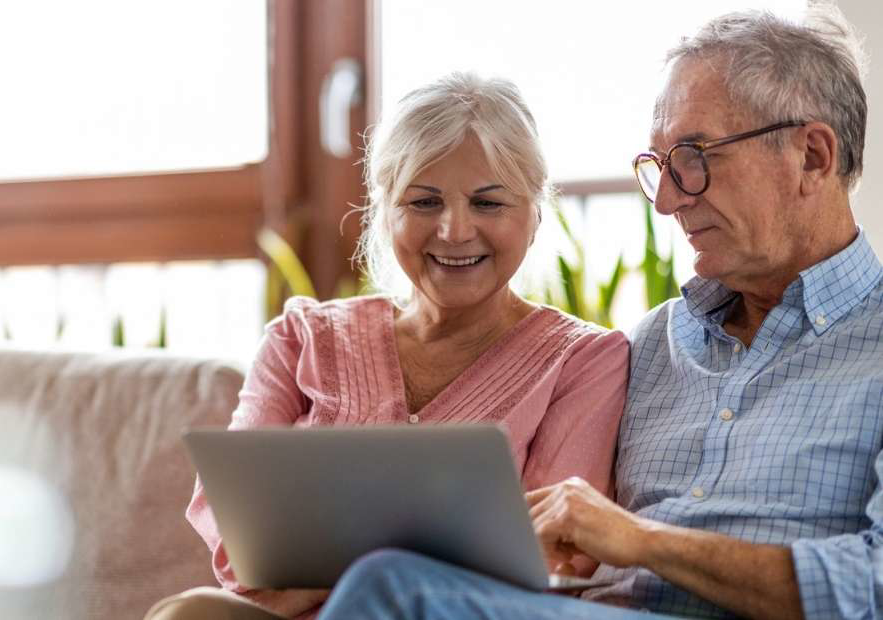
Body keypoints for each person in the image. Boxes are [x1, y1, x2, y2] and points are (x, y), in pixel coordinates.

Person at [315, 5, 882, 620]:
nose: (666, 201)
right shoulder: (648, 346)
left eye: (693, 158)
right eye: (660, 167)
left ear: (813, 157)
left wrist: (640, 540)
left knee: (397, 591)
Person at [144, 72, 630, 620]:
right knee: (192, 613)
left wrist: (331, 576)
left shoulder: (584, 359)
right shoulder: (300, 336)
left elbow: (554, 555)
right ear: (386, 212)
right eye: (423, 202)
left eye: (488, 204)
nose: (453, 230)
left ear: (536, 214)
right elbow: (236, 518)